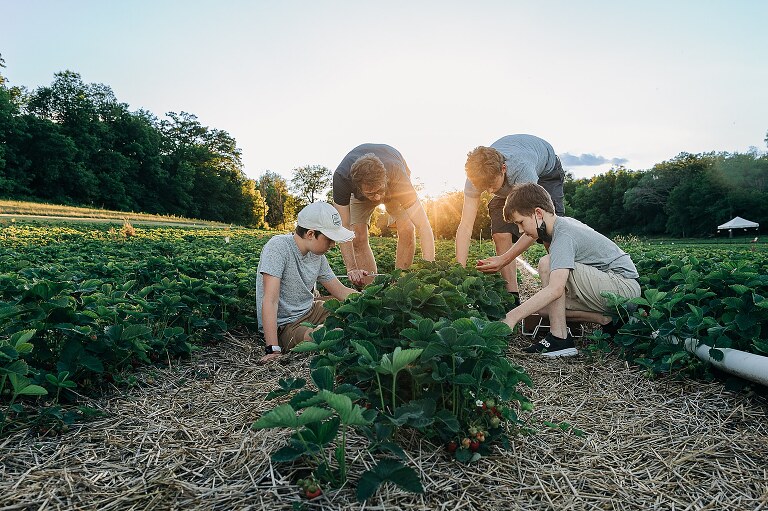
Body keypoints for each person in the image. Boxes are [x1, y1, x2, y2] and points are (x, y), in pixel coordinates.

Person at [498, 183, 641, 357]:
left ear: (538, 213)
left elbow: (556, 289)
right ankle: (605, 320)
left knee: (548, 264)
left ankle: (559, 339)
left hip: (623, 287)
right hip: (614, 288)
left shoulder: (563, 234)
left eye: (521, 222)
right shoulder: (564, 224)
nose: (521, 230)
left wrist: (512, 317)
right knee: (545, 310)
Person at [455, 134, 565, 304]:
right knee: (501, 234)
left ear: (503, 169)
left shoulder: (521, 169)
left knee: (548, 233)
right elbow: (465, 226)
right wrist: (459, 272)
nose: (490, 191)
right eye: (484, 187)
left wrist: (504, 259)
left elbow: (535, 228)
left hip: (545, 172)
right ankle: (512, 298)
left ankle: (561, 291)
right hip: (510, 177)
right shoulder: (475, 179)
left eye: (492, 185)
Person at [256, 201, 358, 364]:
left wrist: (373, 299)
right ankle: (325, 332)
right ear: (311, 234)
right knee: (318, 336)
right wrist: (272, 348)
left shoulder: (317, 256)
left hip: (311, 310)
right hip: (286, 324)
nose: (333, 245)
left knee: (349, 309)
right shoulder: (277, 247)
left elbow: (340, 291)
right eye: (330, 239)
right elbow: (270, 300)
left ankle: (329, 330)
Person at [332, 144, 435, 286]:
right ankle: (372, 290)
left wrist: (430, 271)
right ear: (355, 185)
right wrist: (352, 268)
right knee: (357, 236)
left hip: (393, 186)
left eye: (379, 191)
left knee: (407, 229)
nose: (377, 198)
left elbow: (423, 225)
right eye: (371, 193)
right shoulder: (342, 178)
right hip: (363, 192)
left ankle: (399, 286)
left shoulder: (397, 174)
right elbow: (343, 227)